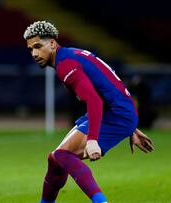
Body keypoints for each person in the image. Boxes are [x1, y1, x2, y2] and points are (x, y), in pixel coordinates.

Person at [23, 21, 154, 203]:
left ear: (52, 43)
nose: (35, 54)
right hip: (118, 112)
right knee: (55, 160)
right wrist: (131, 127)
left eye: (38, 46)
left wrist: (92, 140)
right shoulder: (71, 54)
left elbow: (94, 99)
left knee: (62, 155)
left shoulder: (65, 65)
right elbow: (108, 84)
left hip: (116, 114)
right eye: (30, 49)